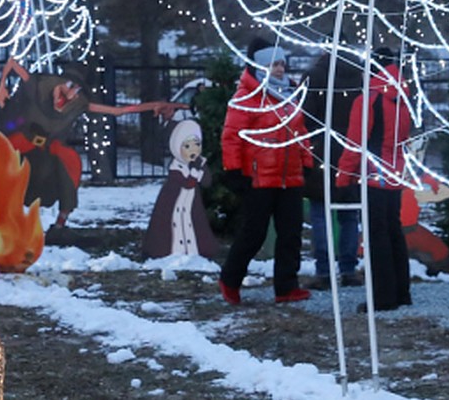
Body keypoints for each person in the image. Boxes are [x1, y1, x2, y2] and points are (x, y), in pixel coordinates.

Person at [0, 57, 181, 234]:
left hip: (47, 148)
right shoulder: (39, 85)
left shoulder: (78, 105)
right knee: (5, 169)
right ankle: (0, 216)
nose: (70, 93)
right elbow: (12, 63)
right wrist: (1, 86)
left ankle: (60, 224)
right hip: (21, 141)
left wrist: (156, 105)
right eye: (68, 86)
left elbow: (119, 111)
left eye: (76, 90)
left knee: (69, 164)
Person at [218, 40, 314, 305]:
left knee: (291, 233)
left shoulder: (290, 94)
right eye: (274, 64)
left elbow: (300, 132)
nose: (280, 69)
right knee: (253, 233)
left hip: (290, 175)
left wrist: (306, 160)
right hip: (259, 177)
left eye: (282, 63)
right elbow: (232, 137)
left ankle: (286, 286)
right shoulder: (246, 97)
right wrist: (234, 170)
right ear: (260, 66)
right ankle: (230, 279)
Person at [336, 47, 413, 312]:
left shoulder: (369, 99)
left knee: (376, 235)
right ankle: (401, 291)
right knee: (393, 230)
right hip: (395, 174)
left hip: (373, 175)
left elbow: (355, 143)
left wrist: (343, 177)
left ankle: (383, 297)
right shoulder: (401, 96)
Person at [302, 50, 364, 289]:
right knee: (349, 214)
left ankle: (325, 272)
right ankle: (348, 269)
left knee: (321, 213)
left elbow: (305, 117)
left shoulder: (315, 76)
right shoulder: (359, 77)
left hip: (322, 153)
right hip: (352, 153)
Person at [141, 119, 218, 259]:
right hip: (175, 205)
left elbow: (206, 182)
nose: (193, 150)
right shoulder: (176, 168)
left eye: (197, 144)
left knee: (192, 222)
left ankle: (194, 250)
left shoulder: (199, 164)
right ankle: (169, 250)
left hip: (190, 204)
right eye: (187, 146)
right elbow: (186, 183)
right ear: (177, 147)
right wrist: (195, 174)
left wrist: (200, 169)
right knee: (172, 224)